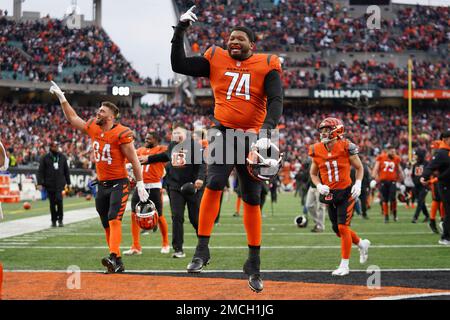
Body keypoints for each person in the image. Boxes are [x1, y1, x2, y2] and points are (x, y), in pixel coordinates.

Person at [171, 6, 283, 293]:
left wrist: (265, 134)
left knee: (251, 197)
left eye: (240, 39)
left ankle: (254, 263)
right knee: (215, 182)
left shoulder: (267, 63)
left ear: (251, 45)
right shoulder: (215, 57)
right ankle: (202, 249)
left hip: (254, 137)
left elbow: (276, 102)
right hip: (222, 130)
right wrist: (180, 30)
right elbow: (179, 65)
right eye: (231, 37)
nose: (233, 41)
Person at [49, 81, 149, 273]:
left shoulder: (121, 133)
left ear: (111, 117)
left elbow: (134, 159)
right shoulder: (94, 128)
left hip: (119, 183)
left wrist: (141, 183)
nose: (98, 113)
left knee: (114, 218)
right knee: (106, 223)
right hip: (102, 184)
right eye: (99, 110)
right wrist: (62, 98)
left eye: (102, 111)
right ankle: (117, 261)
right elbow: (73, 118)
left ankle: (112, 256)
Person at [309, 117, 370, 276]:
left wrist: (358, 183)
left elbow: (359, 167)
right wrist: (319, 185)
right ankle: (361, 243)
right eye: (322, 130)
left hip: (346, 192)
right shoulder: (316, 149)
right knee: (337, 230)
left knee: (343, 227)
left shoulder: (346, 146)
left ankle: (345, 265)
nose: (323, 133)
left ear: (336, 130)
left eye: (326, 129)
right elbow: (313, 173)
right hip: (330, 194)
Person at [140, 124, 205, 258]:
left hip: (191, 187)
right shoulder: (172, 146)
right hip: (174, 187)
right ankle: (178, 249)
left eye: (179, 133)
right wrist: (148, 159)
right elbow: (165, 156)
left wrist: (200, 179)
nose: (176, 135)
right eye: (174, 133)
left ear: (186, 133)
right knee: (177, 217)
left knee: (195, 218)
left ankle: (203, 243)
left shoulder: (194, 146)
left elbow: (202, 164)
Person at [124, 131, 170, 256]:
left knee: (159, 215)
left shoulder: (162, 149)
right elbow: (129, 161)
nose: (146, 140)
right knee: (134, 214)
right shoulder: (139, 150)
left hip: (154, 186)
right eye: (145, 138)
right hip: (141, 186)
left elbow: (168, 156)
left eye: (149, 138)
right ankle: (136, 246)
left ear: (156, 139)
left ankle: (165, 243)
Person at [421, 128, 450, 245]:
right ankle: (445, 237)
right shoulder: (441, 153)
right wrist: (424, 177)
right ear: (446, 140)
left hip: (444, 182)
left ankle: (445, 229)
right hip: (445, 186)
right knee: (448, 211)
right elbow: (430, 166)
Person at [37, 141, 71, 227]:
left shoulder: (62, 157)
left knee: (59, 201)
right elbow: (40, 171)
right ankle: (53, 220)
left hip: (60, 184)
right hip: (49, 184)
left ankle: (60, 219)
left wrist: (68, 183)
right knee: (52, 203)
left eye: (57, 146)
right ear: (51, 147)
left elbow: (66, 171)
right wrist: (39, 183)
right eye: (55, 146)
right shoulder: (45, 158)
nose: (56, 148)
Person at [372, 146, 404, 223]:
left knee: (393, 198)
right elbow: (376, 168)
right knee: (385, 199)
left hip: (392, 181)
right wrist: (374, 178)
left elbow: (399, 169)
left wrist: (402, 179)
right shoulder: (381, 157)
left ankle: (395, 214)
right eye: (392, 151)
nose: (393, 153)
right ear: (388, 151)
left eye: (394, 152)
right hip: (383, 181)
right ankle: (386, 216)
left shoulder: (396, 158)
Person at [411, 149, 430, 223]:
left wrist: (426, 181)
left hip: (424, 186)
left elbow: (428, 173)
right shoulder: (415, 164)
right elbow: (413, 175)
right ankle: (427, 216)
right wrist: (415, 182)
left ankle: (415, 217)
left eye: (416, 155)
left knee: (420, 201)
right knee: (421, 202)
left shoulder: (426, 163)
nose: (415, 156)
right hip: (416, 186)